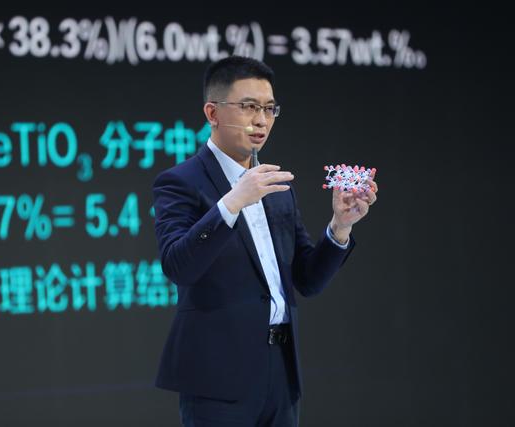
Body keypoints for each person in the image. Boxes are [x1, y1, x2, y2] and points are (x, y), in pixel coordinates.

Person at [152, 56, 377, 426]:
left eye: (269, 108)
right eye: (248, 106)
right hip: (218, 380)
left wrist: (340, 227)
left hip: (280, 372)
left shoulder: (276, 186)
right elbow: (178, 266)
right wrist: (232, 202)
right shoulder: (180, 181)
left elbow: (307, 280)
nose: (261, 120)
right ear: (212, 113)